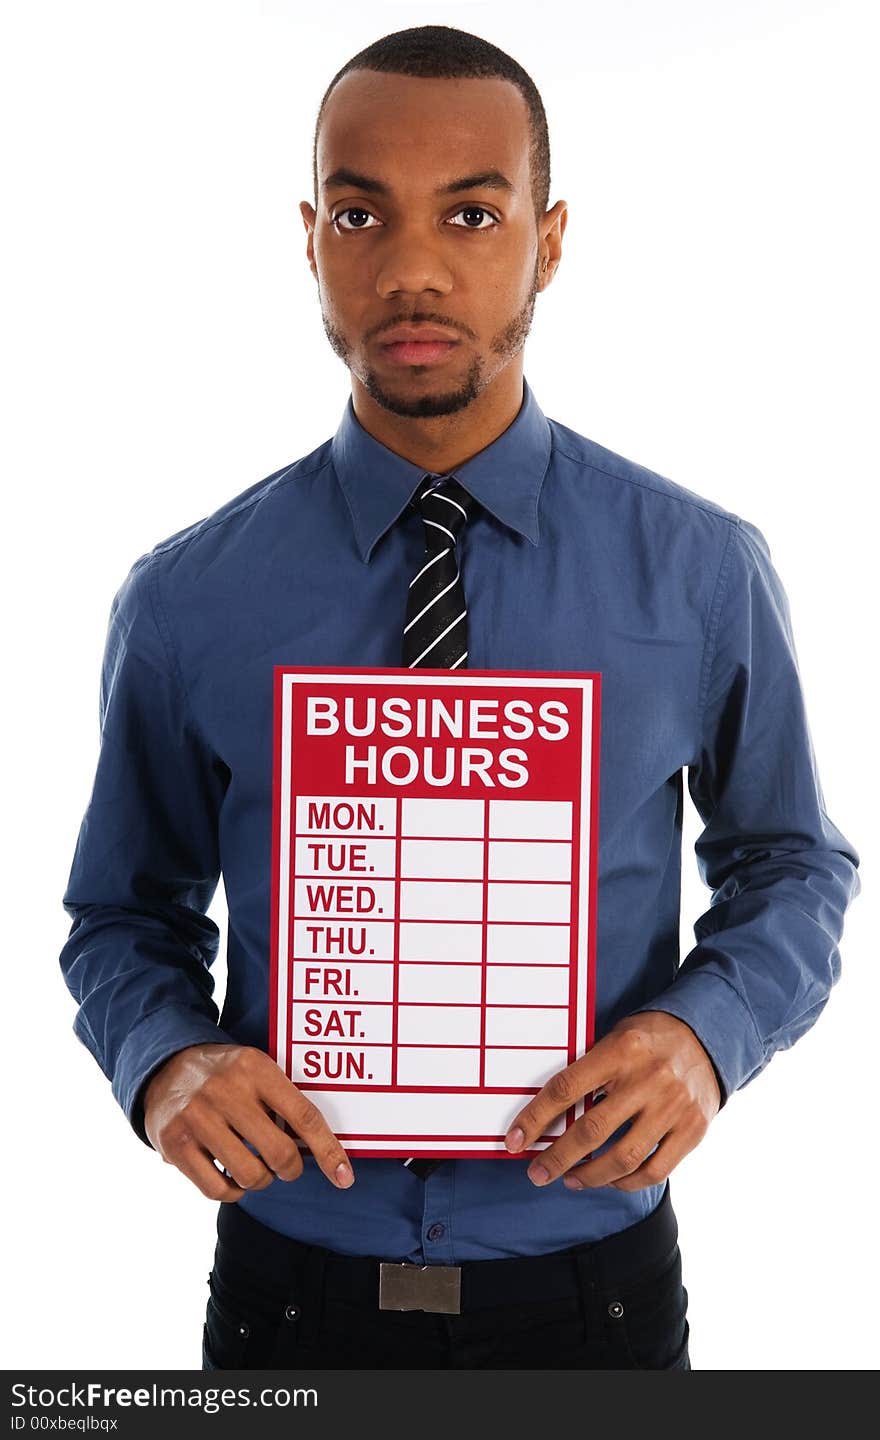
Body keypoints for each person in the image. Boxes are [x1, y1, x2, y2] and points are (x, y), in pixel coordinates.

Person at [59, 24, 860, 1372]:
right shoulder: (188, 599)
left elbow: (792, 861)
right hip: (286, 1300)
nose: (414, 269)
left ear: (548, 242)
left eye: (473, 213)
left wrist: (703, 1038)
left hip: (595, 1298)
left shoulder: (702, 572)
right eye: (363, 213)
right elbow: (122, 914)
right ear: (311, 237)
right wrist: (165, 1065)